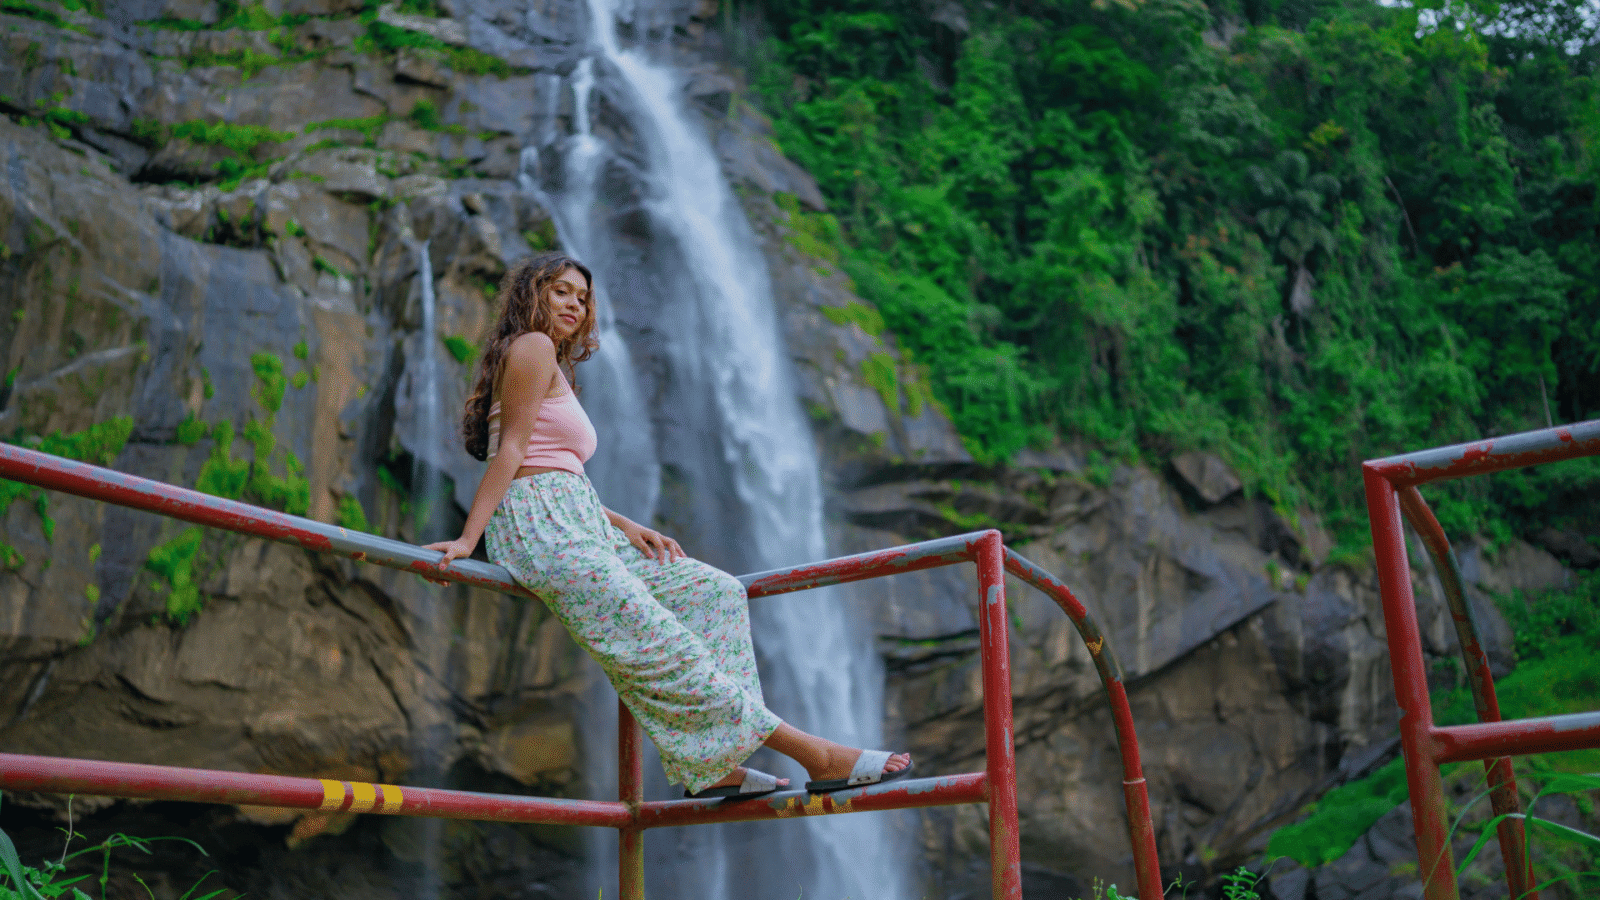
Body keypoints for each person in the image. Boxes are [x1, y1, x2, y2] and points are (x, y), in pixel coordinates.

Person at [424, 252, 912, 799]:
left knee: (717, 593)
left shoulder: (549, 364)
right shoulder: (532, 347)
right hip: (541, 527)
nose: (574, 305)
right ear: (531, 293)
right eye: (561, 291)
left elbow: (548, 462)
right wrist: (471, 539)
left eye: (583, 298)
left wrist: (622, 522)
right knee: (662, 642)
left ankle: (715, 764)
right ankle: (818, 756)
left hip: (580, 521)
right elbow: (510, 454)